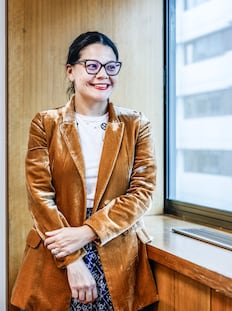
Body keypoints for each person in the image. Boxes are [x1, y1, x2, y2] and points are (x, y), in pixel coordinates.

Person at [11, 31, 158, 311]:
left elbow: (143, 193)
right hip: (58, 244)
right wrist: (72, 259)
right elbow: (39, 196)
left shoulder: (136, 124)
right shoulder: (46, 123)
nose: (102, 74)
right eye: (92, 66)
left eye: (111, 66)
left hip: (116, 245)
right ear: (71, 71)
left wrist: (89, 231)